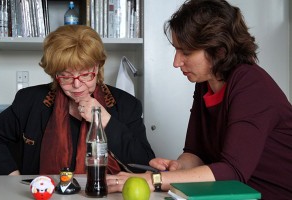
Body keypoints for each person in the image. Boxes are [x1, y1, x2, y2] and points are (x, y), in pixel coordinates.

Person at [106, 0, 292, 199]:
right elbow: (194, 153)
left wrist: (154, 180)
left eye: (186, 52)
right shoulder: (205, 83)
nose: (176, 62)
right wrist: (178, 168)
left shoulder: (251, 84)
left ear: (219, 50)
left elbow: (233, 172)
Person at [0, 25, 155, 175]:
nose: (77, 85)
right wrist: (11, 174)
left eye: (85, 75)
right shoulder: (29, 100)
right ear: (55, 74)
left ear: (97, 68)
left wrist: (105, 120)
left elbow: (144, 162)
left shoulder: (126, 105)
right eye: (66, 76)